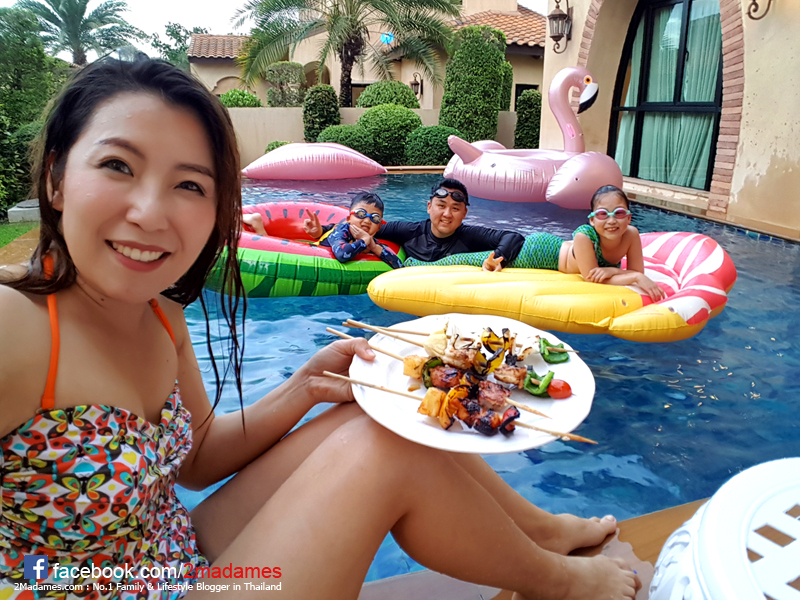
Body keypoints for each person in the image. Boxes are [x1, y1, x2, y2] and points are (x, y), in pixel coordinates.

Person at [0, 58, 640, 600]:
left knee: (381, 413)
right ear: (56, 177)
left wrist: (304, 386)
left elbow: (196, 461)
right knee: (388, 452)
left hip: (170, 554)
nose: (150, 211)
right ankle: (558, 583)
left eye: (189, 184)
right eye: (118, 166)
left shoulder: (159, 312)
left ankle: (542, 531)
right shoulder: (16, 328)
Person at [411, 186, 665, 301]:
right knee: (468, 260)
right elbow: (593, 277)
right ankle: (414, 264)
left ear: (628, 216)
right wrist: (630, 276)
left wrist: (615, 271)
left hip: (550, 254)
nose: (611, 221)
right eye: (602, 214)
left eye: (618, 213)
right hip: (538, 253)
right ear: (592, 219)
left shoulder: (631, 234)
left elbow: (635, 272)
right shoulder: (584, 236)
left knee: (473, 258)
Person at [304, 178, 524, 272]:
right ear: (429, 207)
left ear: (464, 213)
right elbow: (366, 227)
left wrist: (498, 259)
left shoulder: (470, 236)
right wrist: (322, 231)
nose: (447, 214)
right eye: (441, 206)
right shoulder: (410, 231)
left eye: (455, 208)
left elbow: (513, 237)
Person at [314, 192, 403, 269]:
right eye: (361, 214)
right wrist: (363, 241)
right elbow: (342, 254)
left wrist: (374, 248)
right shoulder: (341, 231)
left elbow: (400, 266)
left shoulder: (371, 240)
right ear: (349, 218)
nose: (367, 221)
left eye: (375, 218)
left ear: (379, 227)